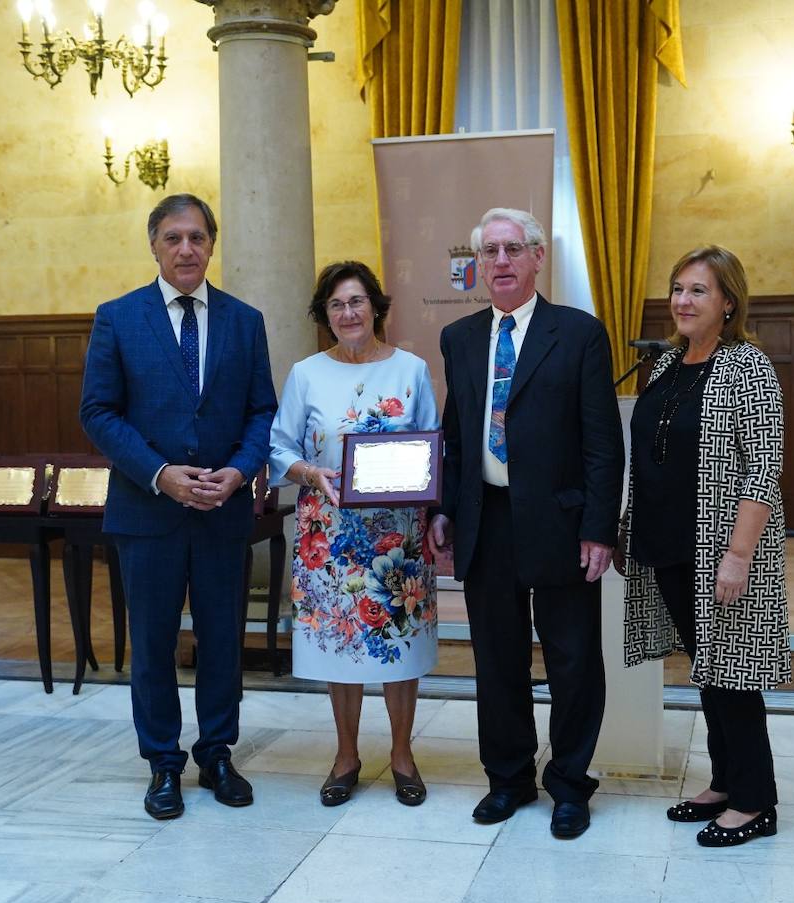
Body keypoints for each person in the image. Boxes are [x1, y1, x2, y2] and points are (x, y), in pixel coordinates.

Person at [426, 207, 624, 839]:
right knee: (498, 661)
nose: (502, 262)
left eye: (514, 249)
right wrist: (444, 511)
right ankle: (508, 778)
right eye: (491, 252)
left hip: (562, 525)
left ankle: (569, 784)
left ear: (539, 257)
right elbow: (457, 437)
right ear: (478, 264)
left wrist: (599, 527)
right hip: (487, 520)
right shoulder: (459, 338)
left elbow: (601, 443)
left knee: (572, 662)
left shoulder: (580, 333)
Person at [80, 193, 278, 820]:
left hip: (223, 512)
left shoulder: (245, 321)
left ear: (212, 244)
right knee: (155, 641)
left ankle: (217, 753)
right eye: (173, 238)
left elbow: (261, 411)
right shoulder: (118, 318)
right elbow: (98, 412)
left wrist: (241, 472)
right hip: (147, 512)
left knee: (223, 640)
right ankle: (163, 762)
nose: (186, 249)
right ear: (155, 246)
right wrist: (159, 474)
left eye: (197, 237)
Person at [616, 244, 790, 848]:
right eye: (678, 288)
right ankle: (724, 780)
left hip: (721, 549)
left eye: (698, 291)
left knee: (735, 675)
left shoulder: (750, 367)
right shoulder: (666, 364)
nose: (682, 301)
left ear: (728, 301)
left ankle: (755, 800)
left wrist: (738, 555)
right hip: (666, 544)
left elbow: (763, 470)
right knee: (708, 669)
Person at [269, 261, 439, 808]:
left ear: (376, 307)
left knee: (399, 646)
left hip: (397, 536)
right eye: (337, 305)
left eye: (357, 302)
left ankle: (402, 756)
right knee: (339, 646)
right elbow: (278, 447)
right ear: (326, 314)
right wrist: (309, 473)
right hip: (329, 534)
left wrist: (435, 510)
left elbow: (433, 447)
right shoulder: (306, 373)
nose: (348, 313)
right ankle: (345, 756)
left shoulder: (410, 370)